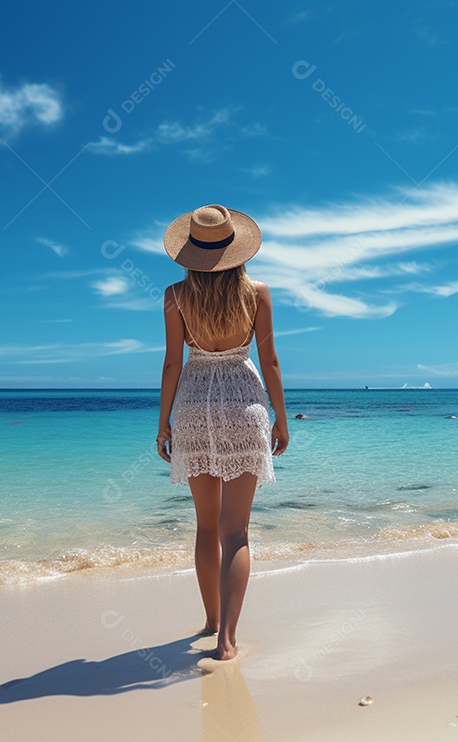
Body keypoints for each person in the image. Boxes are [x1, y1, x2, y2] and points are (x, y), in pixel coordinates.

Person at [156, 204, 289, 662]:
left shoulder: (175, 296)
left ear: (190, 250)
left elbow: (173, 362)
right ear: (236, 247)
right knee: (237, 531)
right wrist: (282, 418)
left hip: (193, 403)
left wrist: (163, 423)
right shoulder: (259, 293)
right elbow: (269, 361)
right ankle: (226, 640)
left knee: (207, 525)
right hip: (244, 402)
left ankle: (211, 619)